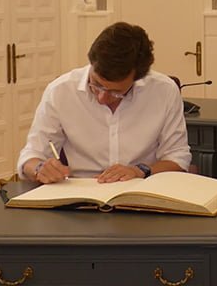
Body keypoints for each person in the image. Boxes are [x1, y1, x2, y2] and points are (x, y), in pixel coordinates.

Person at [17, 22, 192, 184]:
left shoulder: (163, 91)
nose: (102, 98)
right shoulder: (60, 91)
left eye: (116, 92)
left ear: (137, 79)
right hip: (80, 193)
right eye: (96, 85)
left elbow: (177, 158)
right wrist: (40, 168)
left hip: (141, 190)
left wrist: (140, 170)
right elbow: (31, 155)